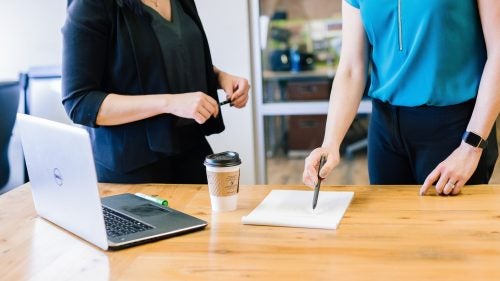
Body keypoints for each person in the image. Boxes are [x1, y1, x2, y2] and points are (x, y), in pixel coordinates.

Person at [303, 0, 499, 196]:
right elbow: (351, 68)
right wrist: (330, 142)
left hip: (455, 128)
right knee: (389, 225)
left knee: (449, 224)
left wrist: (471, 147)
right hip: (385, 129)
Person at [62, 0, 250, 184]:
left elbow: (167, 57)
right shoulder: (90, 5)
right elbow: (80, 102)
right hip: (133, 165)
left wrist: (219, 77)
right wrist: (169, 103)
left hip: (190, 149)